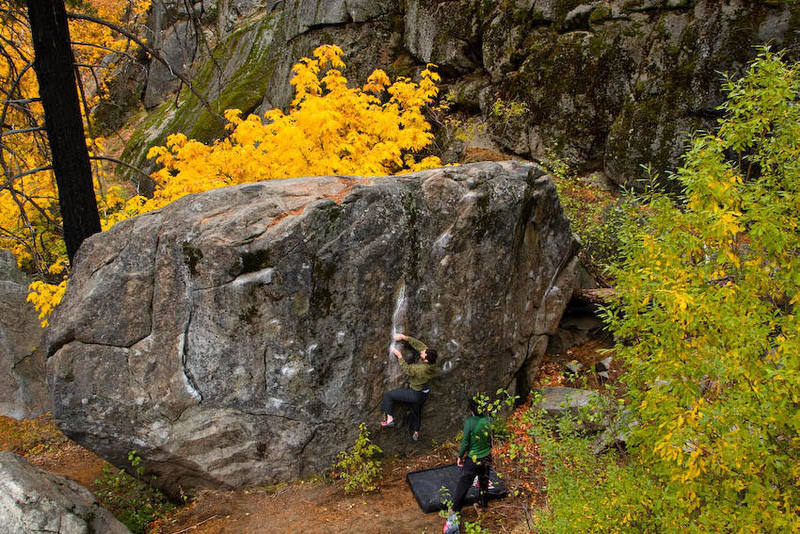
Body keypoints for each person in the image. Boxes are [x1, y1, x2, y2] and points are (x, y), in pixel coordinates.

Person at [380, 332, 437, 441]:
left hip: (415, 393)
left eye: (423, 354)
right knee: (416, 411)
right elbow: (421, 346)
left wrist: (400, 356)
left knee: (388, 395)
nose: (422, 352)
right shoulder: (431, 361)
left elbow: (408, 370)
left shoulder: (422, 369)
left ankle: (389, 419)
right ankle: (416, 432)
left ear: (425, 360)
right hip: (424, 393)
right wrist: (404, 337)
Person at [451, 396, 493, 515]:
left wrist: (460, 456)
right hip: (487, 457)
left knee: (463, 484)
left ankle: (455, 510)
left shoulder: (470, 423)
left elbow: (465, 442)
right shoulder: (489, 420)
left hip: (473, 459)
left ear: (472, 410)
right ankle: (482, 505)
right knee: (484, 481)